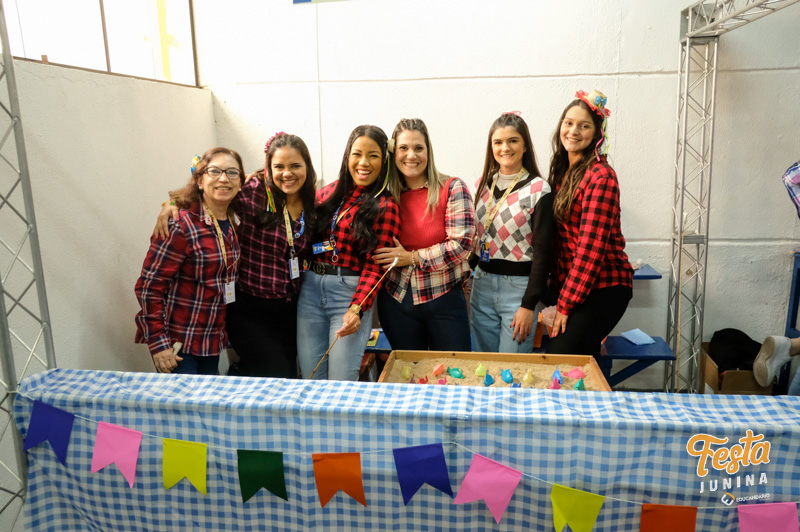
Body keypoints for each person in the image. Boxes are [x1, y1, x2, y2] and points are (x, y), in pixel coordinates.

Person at [155, 133, 317, 378]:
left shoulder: (312, 201)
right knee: (277, 374)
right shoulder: (253, 191)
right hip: (250, 310)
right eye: (279, 167)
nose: (287, 173)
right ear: (268, 168)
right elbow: (210, 196)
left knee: (286, 374)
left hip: (290, 310)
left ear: (307, 167)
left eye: (295, 166)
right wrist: (172, 204)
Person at [297, 125, 401, 381]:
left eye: (373, 155)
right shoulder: (324, 194)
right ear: (347, 156)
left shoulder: (385, 205)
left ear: (384, 161)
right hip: (310, 291)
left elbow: (376, 265)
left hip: (348, 294)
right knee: (311, 377)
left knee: (341, 382)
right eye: (357, 154)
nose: (363, 162)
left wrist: (357, 308)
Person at [135, 147, 243, 374]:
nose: (224, 178)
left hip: (211, 342)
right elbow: (149, 286)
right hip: (178, 344)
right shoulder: (181, 225)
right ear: (200, 180)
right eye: (215, 171)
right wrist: (159, 344)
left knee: (207, 398)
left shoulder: (232, 224)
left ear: (240, 182)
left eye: (232, 172)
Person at [373, 118, 475, 351]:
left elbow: (461, 246)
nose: (411, 155)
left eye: (418, 148)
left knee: (453, 370)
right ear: (393, 152)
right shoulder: (385, 197)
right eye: (403, 148)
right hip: (396, 300)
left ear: (428, 151)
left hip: (444, 299)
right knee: (409, 370)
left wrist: (412, 257)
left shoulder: (452, 187)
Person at [545, 90, 633, 358]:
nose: (573, 131)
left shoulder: (601, 177)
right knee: (582, 362)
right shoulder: (562, 171)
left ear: (597, 134)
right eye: (569, 123)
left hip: (604, 286)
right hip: (575, 285)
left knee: (561, 356)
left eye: (584, 126)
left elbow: (589, 251)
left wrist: (565, 304)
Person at [468, 112, 555, 353]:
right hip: (482, 285)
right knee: (483, 364)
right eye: (498, 142)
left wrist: (528, 305)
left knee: (511, 367)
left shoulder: (539, 189)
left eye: (513, 141)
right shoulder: (482, 184)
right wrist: (467, 268)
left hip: (519, 291)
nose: (505, 148)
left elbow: (543, 254)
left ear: (525, 145)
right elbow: (484, 237)